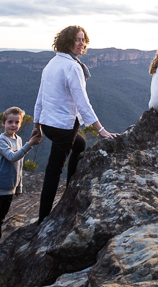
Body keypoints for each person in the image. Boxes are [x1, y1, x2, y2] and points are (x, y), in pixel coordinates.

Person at [33, 25, 117, 222]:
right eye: (78, 39)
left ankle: (71, 186)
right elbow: (82, 101)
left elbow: (40, 98)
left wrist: (37, 126)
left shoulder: (52, 64)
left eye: (83, 40)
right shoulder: (72, 66)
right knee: (54, 170)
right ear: (68, 41)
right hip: (63, 126)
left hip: (49, 125)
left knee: (79, 144)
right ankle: (42, 218)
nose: (82, 43)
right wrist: (101, 130)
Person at [0, 106, 41, 264]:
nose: (13, 125)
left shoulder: (19, 140)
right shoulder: (1, 140)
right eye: (10, 122)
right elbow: (12, 157)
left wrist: (18, 186)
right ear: (3, 123)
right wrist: (30, 145)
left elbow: (19, 165)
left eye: (17, 122)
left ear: (20, 124)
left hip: (9, 190)